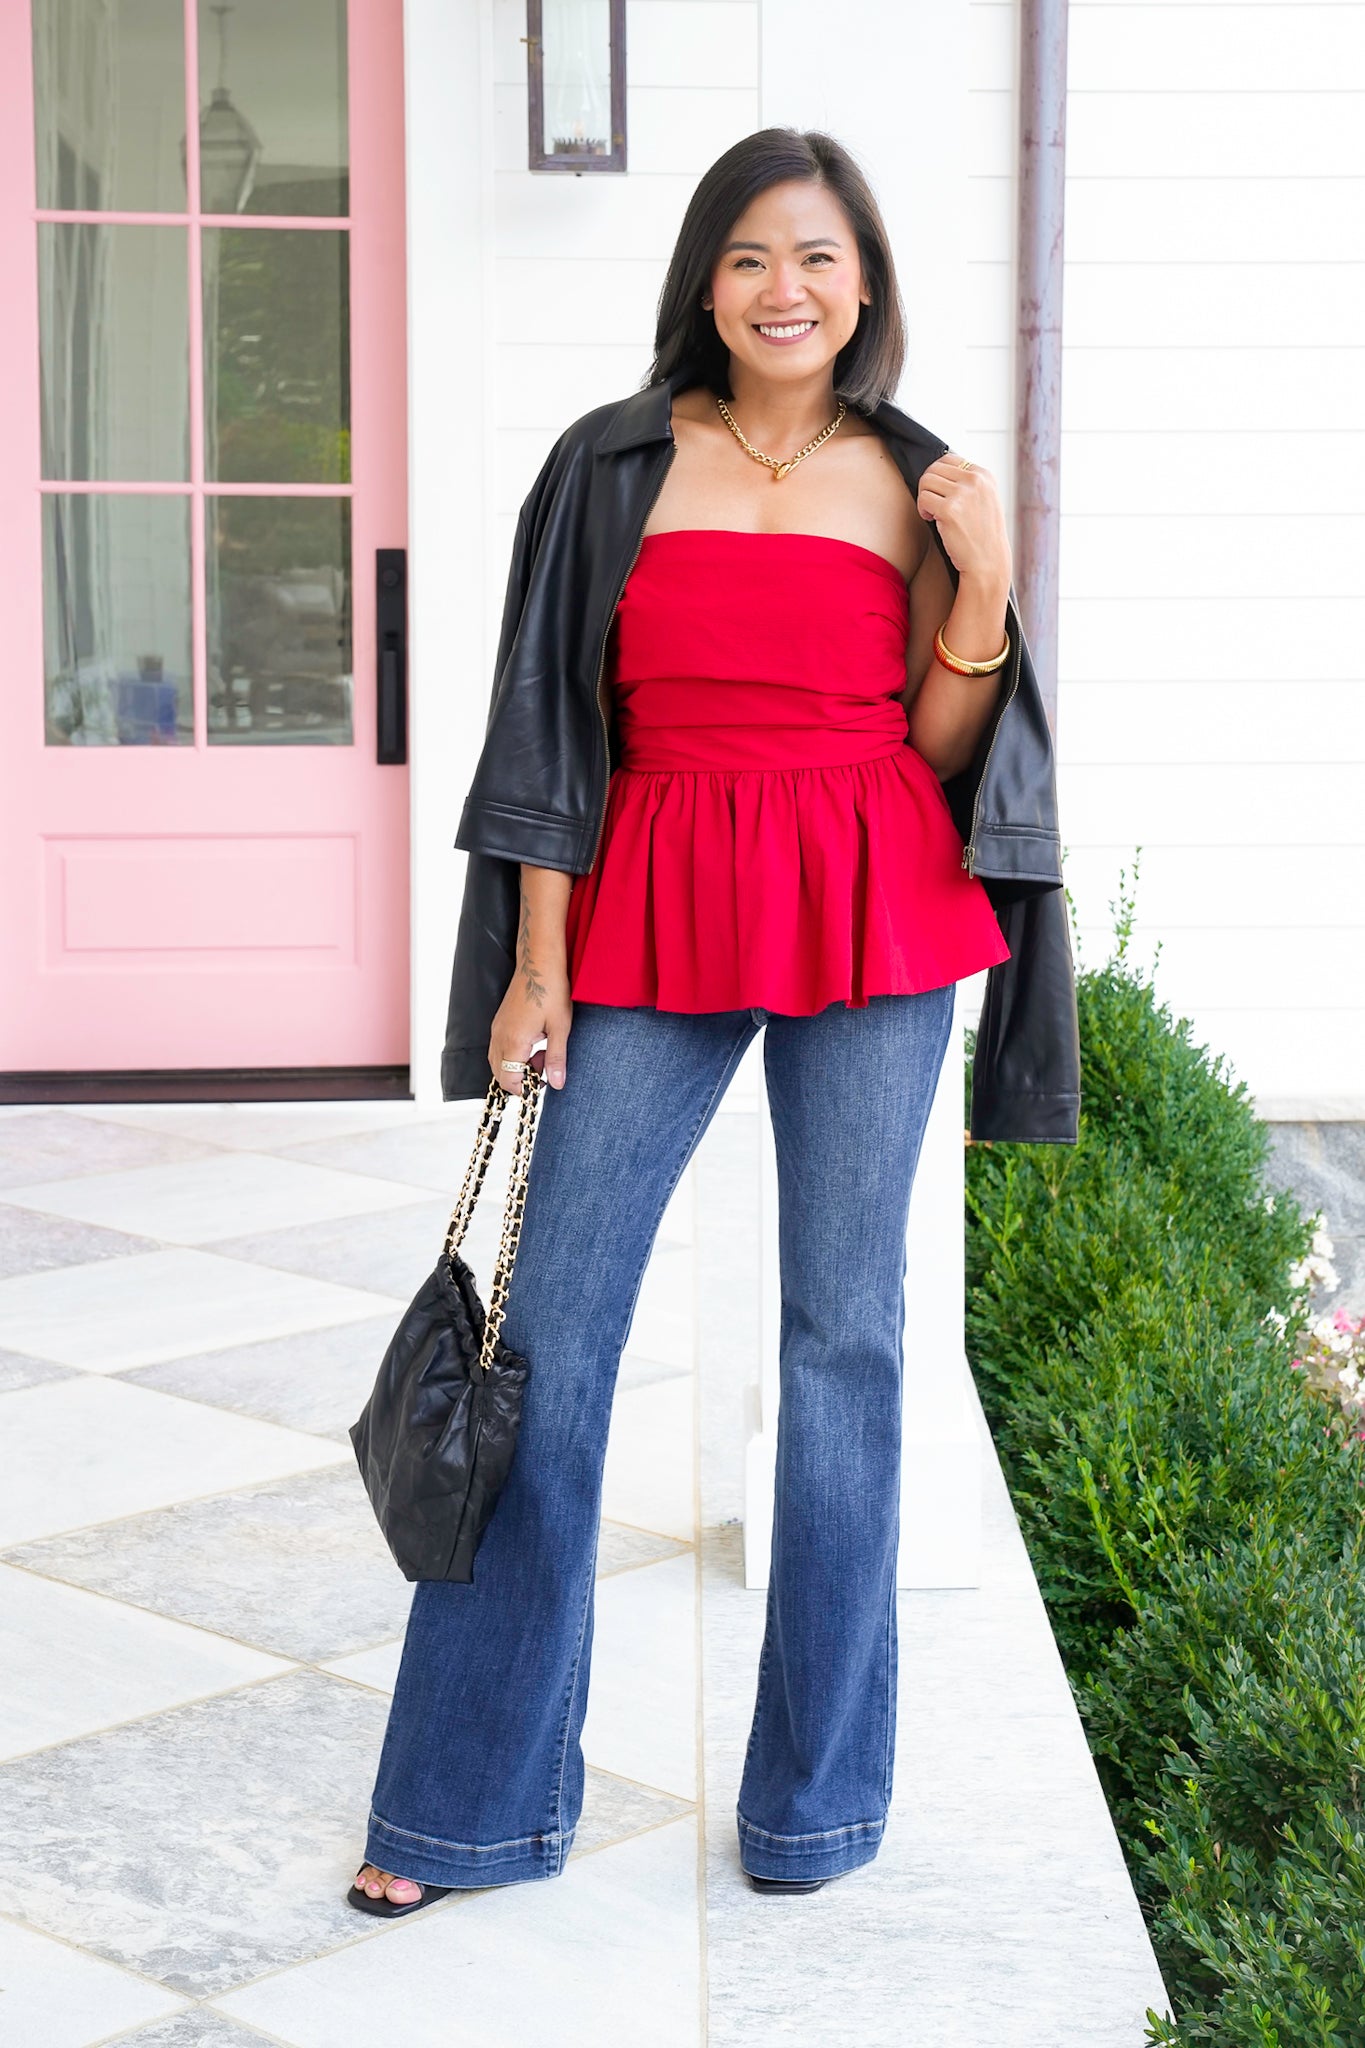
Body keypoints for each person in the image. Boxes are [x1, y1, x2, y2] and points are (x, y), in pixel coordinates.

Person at [349, 126, 1076, 1916]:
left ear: (866, 287)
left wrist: (982, 584)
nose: (785, 289)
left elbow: (944, 754)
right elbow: (549, 733)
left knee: (848, 1348)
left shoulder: (913, 478)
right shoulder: (608, 464)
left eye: (820, 258)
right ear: (702, 277)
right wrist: (537, 962)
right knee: (552, 1341)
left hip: (870, 895)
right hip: (649, 899)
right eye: (753, 255)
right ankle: (465, 1805)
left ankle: (814, 1808)